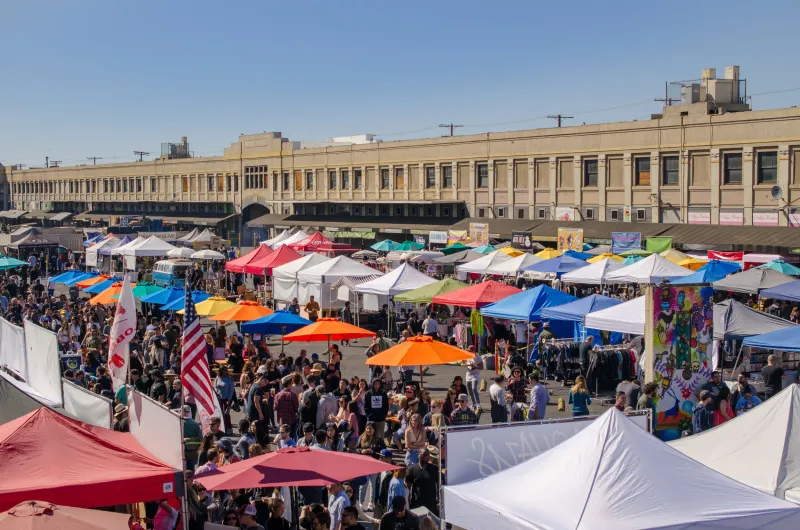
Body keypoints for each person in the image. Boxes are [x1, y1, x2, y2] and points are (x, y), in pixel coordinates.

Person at [406, 449, 438, 516]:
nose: (426, 457)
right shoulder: (412, 469)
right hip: (416, 505)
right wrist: (407, 503)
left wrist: (439, 500)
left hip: (431, 505)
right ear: (419, 455)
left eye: (428, 455)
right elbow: (407, 488)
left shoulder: (434, 469)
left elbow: (439, 485)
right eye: (424, 455)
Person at [462, 346, 483, 410]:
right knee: (469, 389)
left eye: (470, 351)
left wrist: (474, 366)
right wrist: (464, 363)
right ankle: (473, 403)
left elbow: (482, 367)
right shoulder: (467, 356)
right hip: (468, 374)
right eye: (468, 351)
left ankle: (478, 403)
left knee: (474, 388)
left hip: (475, 375)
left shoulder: (478, 358)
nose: (468, 352)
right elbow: (463, 362)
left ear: (474, 351)